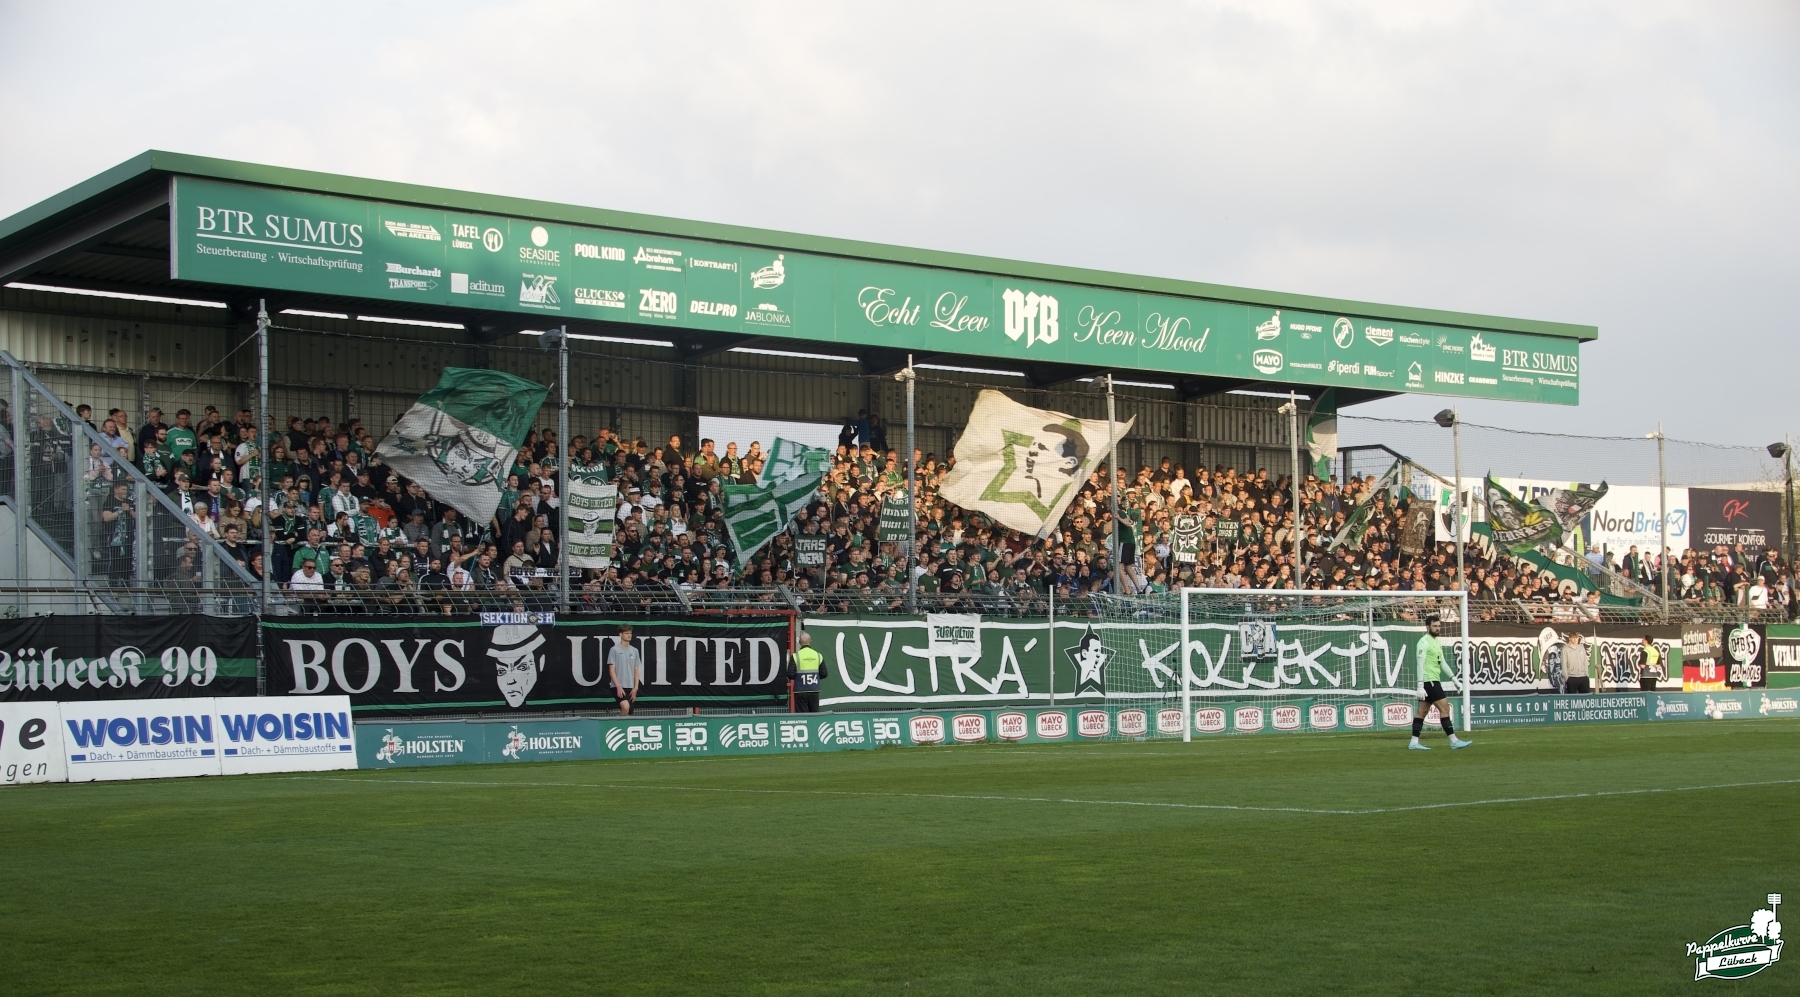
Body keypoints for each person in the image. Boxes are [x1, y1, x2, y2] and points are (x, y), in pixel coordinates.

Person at [1410, 615, 1471, 750]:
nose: (1438, 628)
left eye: (1439, 626)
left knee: (1422, 712)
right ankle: (1454, 741)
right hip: (1429, 681)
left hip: (1432, 681)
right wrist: (1420, 685)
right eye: (1435, 626)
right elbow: (1420, 664)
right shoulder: (1423, 642)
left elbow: (1442, 662)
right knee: (1445, 709)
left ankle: (1414, 742)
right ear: (1427, 627)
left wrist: (1454, 679)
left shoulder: (1436, 641)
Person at [786, 630, 827, 713]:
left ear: (799, 642)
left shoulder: (795, 656)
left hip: (800, 690)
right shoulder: (818, 655)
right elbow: (824, 673)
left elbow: (790, 674)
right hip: (814, 690)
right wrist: (814, 677)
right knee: (815, 714)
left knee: (802, 716)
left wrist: (800, 678)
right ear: (810, 641)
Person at [608, 625, 642, 716]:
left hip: (630, 686)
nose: (629, 635)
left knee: (629, 713)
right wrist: (618, 686)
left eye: (630, 633)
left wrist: (635, 688)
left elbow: (636, 669)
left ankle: (619, 725)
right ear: (620, 634)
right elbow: (611, 670)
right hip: (618, 686)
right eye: (626, 633)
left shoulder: (635, 651)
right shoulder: (614, 650)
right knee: (625, 707)